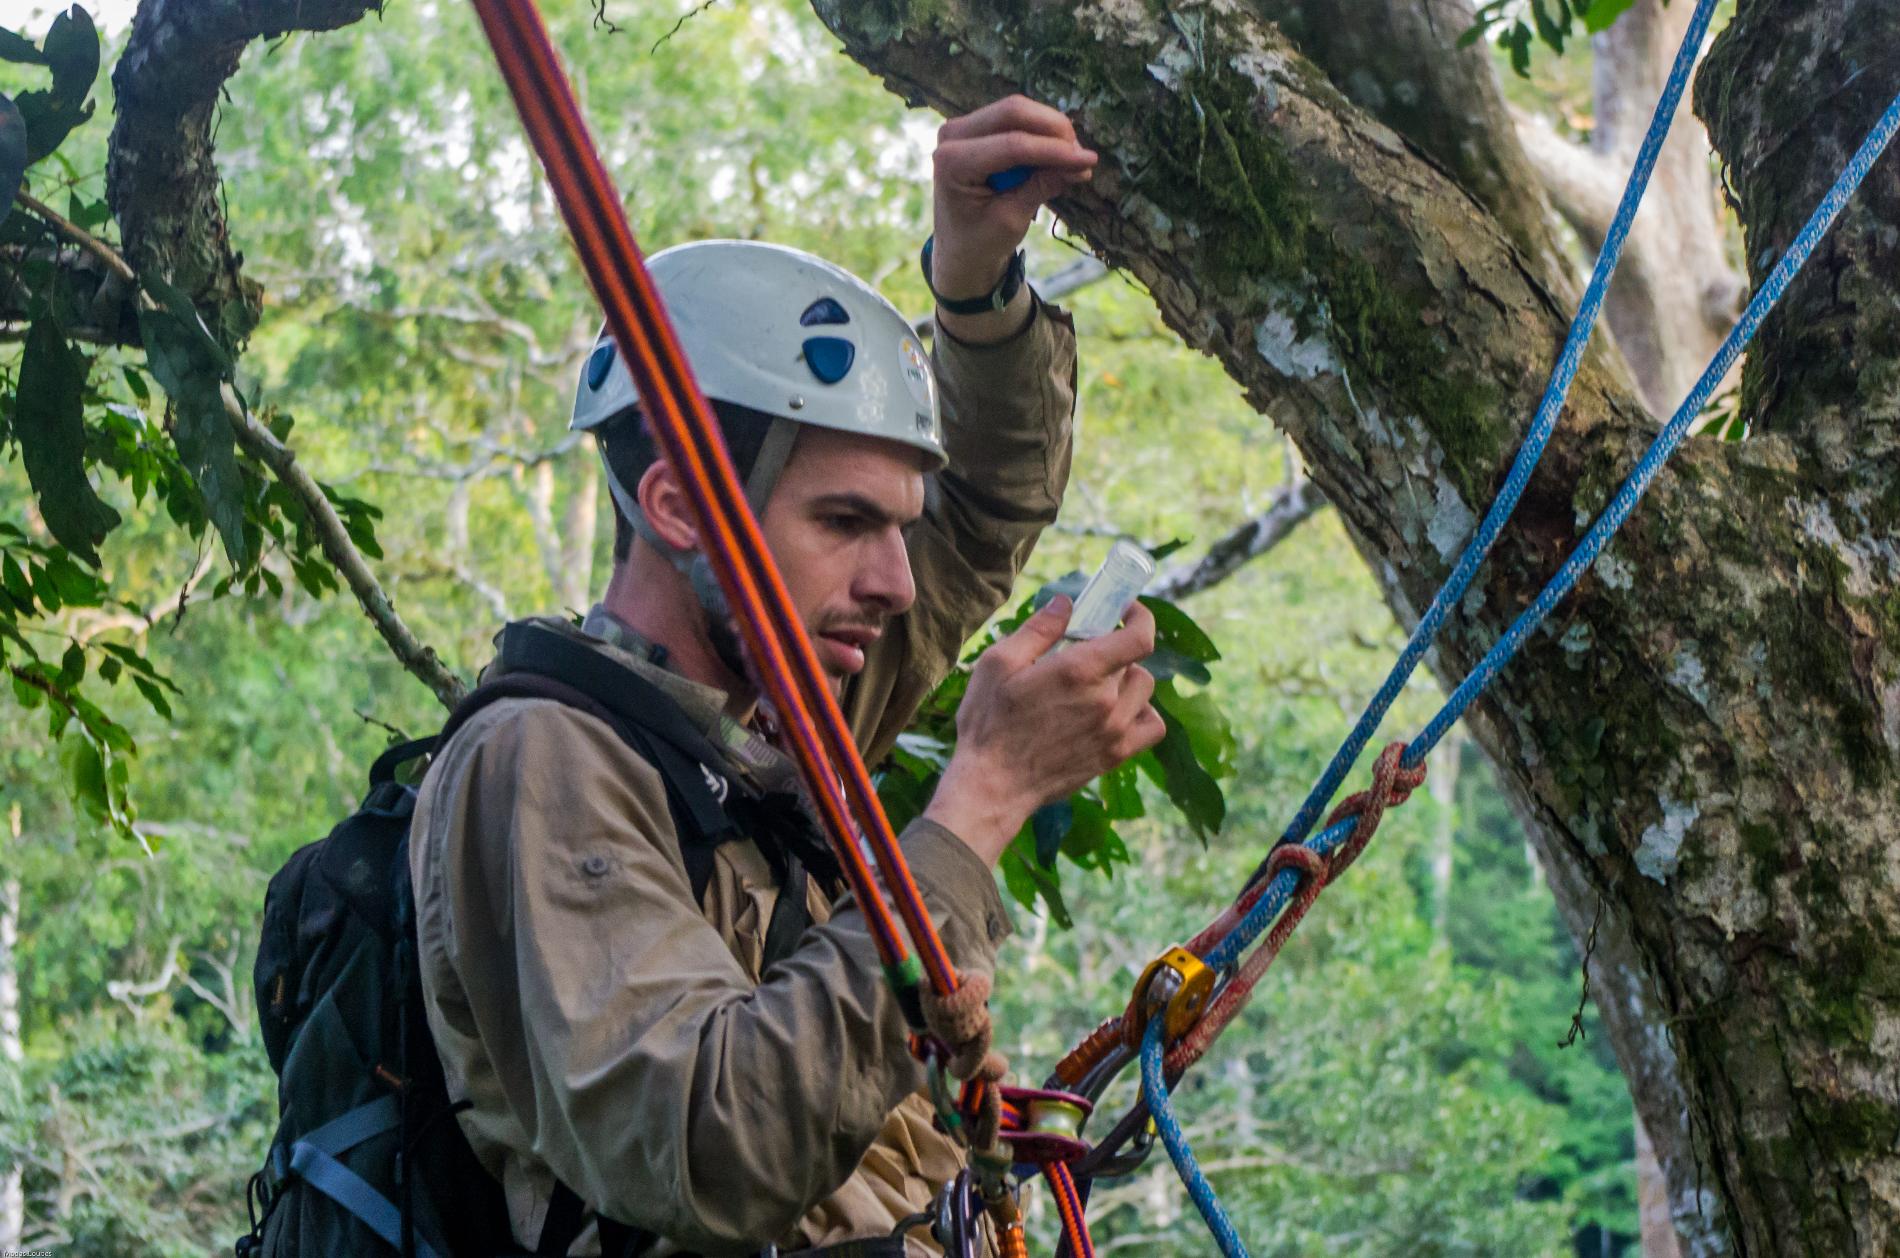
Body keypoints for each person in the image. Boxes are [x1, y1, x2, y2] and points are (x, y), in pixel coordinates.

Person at [408, 96, 1166, 1257]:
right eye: (844, 520)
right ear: (676, 506)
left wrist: (973, 284)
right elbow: (710, 1152)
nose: (897, 582)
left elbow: (982, 511)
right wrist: (984, 798)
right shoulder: (541, 761)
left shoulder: (770, 726)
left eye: (891, 525)